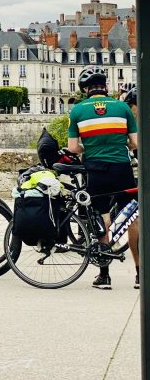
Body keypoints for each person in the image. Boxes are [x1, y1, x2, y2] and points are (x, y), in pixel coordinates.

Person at [68, 68, 139, 290]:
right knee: (133, 219)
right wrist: (121, 145)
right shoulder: (122, 107)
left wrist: (88, 147)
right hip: (122, 169)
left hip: (96, 171)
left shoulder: (78, 110)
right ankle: (140, 275)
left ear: (86, 90)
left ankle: (104, 275)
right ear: (105, 87)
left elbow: (72, 148)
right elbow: (135, 143)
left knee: (102, 219)